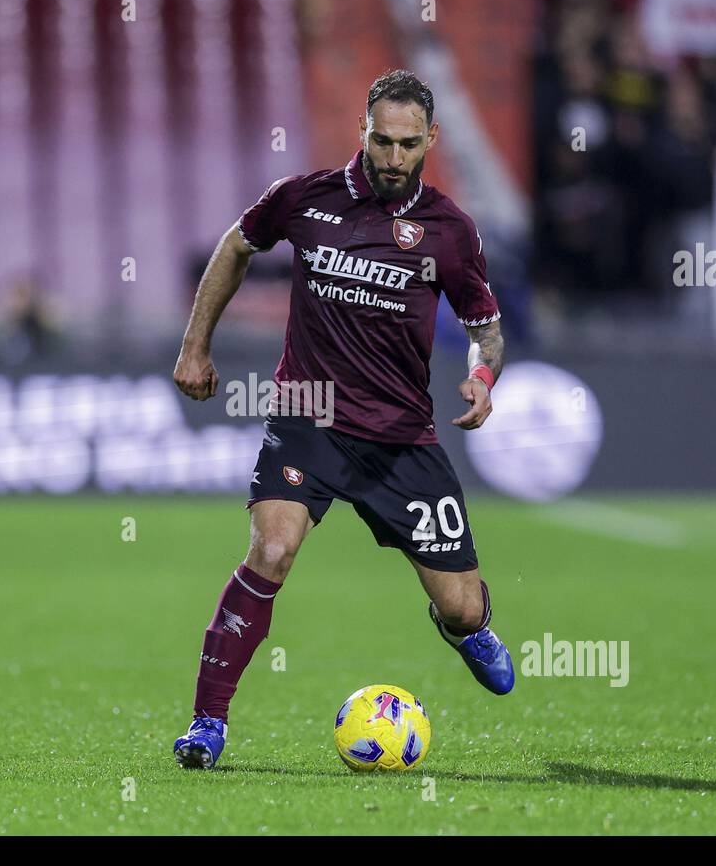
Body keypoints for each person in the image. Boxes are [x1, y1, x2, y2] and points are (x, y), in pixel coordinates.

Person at [170, 70, 514, 769]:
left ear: (430, 141)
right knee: (270, 552)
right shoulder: (305, 199)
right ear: (363, 130)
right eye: (380, 141)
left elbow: (488, 327)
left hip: (401, 438)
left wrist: (481, 377)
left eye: (407, 145)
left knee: (463, 606)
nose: (392, 158)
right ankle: (208, 724)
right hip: (308, 413)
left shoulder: (449, 230)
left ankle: (464, 629)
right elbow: (237, 246)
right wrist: (195, 344)